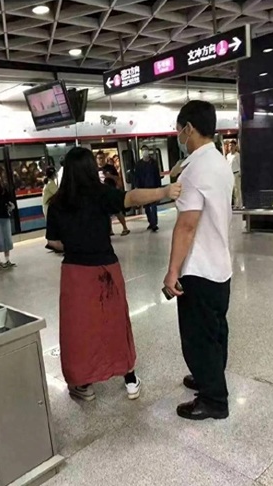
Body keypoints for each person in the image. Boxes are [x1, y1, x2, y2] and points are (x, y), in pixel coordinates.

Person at [46, 147, 182, 402]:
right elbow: (132, 197)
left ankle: (83, 384)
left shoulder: (57, 203)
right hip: (106, 270)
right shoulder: (102, 193)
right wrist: (164, 192)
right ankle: (130, 380)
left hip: (75, 274)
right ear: (91, 169)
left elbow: (53, 242)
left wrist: (75, 243)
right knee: (116, 322)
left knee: (79, 329)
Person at [163, 101, 234, 421]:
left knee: (198, 338)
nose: (178, 135)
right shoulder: (219, 161)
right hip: (220, 265)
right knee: (216, 329)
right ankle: (211, 375)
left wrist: (172, 271)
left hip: (199, 269)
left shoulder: (194, 170)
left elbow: (187, 226)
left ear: (189, 128)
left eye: (179, 129)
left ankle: (214, 400)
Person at [95, 151, 130, 236]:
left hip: (111, 192)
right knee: (105, 213)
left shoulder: (110, 168)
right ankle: (110, 230)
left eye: (102, 158)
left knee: (116, 211)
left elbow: (117, 178)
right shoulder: (95, 170)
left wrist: (110, 176)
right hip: (101, 194)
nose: (101, 160)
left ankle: (125, 227)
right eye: (99, 158)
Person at [133, 145, 162, 231]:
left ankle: (154, 224)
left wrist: (159, 187)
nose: (145, 152)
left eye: (146, 150)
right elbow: (137, 177)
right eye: (143, 150)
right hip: (143, 188)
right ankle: (151, 222)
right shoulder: (138, 164)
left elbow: (157, 176)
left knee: (153, 207)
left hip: (153, 188)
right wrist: (137, 187)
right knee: (147, 208)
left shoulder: (153, 163)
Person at [42, 166, 59, 252]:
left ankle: (51, 243)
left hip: (47, 207)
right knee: (53, 226)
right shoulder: (51, 184)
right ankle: (54, 244)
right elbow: (58, 194)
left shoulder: (48, 182)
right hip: (50, 208)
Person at [227, 140, 242, 209]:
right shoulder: (228, 156)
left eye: (232, 146)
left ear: (235, 147)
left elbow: (240, 164)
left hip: (236, 173)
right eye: (230, 146)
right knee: (232, 190)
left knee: (237, 190)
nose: (231, 147)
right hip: (230, 174)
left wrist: (240, 173)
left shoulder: (237, 155)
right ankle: (234, 204)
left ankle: (239, 204)